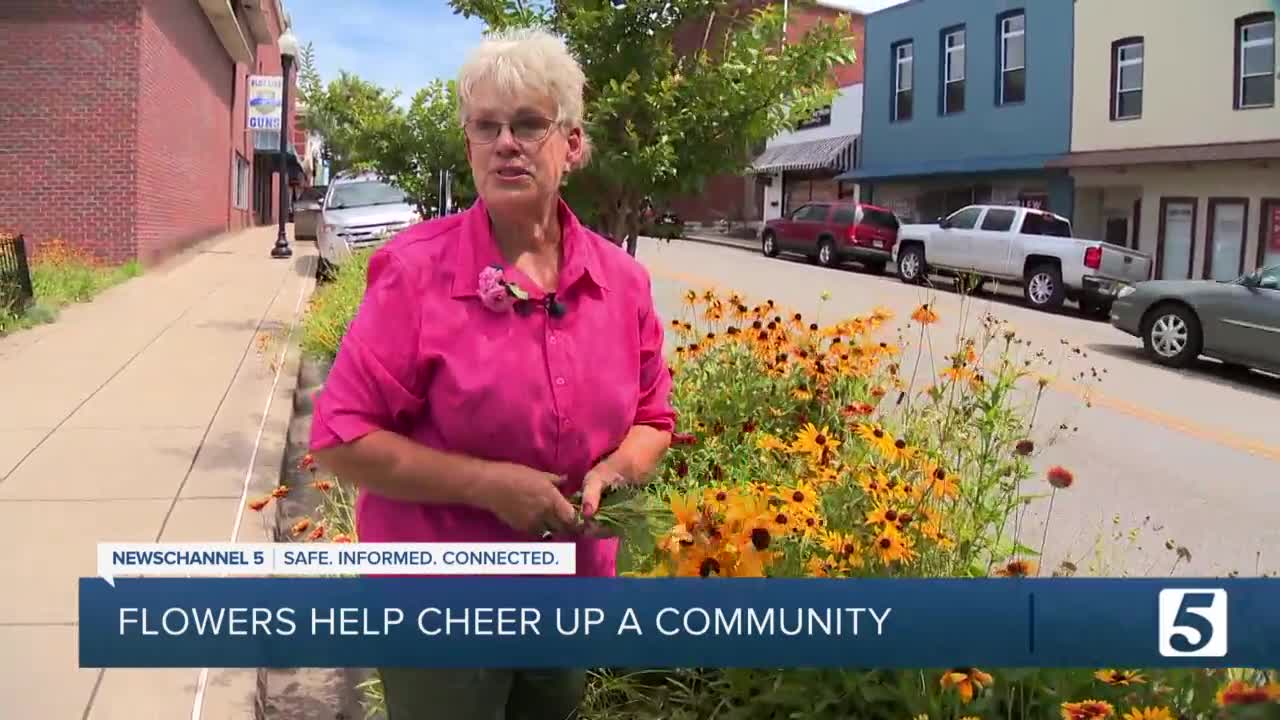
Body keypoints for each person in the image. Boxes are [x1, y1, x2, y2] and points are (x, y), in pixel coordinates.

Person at [308, 26, 677, 720]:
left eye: (529, 124)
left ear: (572, 144)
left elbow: (654, 419)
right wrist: (487, 486)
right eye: (486, 127)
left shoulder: (622, 282)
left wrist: (615, 471)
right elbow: (339, 437)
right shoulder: (415, 272)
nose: (506, 142)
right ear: (470, 144)